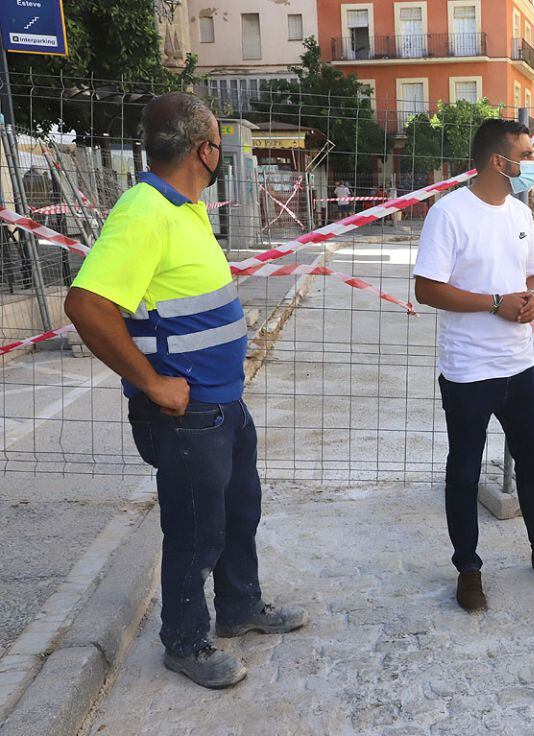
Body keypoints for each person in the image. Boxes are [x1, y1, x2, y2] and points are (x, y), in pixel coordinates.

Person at [64, 93, 306, 689]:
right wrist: (149, 383)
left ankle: (240, 607)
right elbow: (86, 304)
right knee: (196, 529)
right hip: (186, 411)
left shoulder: (184, 206)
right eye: (218, 140)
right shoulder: (144, 211)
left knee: (238, 511)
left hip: (224, 403)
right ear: (206, 149)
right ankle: (186, 641)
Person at [413, 118, 534, 613]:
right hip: (469, 370)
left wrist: (531, 298)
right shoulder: (448, 215)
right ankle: (468, 568)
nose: (532, 163)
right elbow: (426, 288)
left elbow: (533, 272)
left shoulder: (520, 211)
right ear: (499, 161)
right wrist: (495, 303)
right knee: (464, 472)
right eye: (527, 154)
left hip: (519, 364)